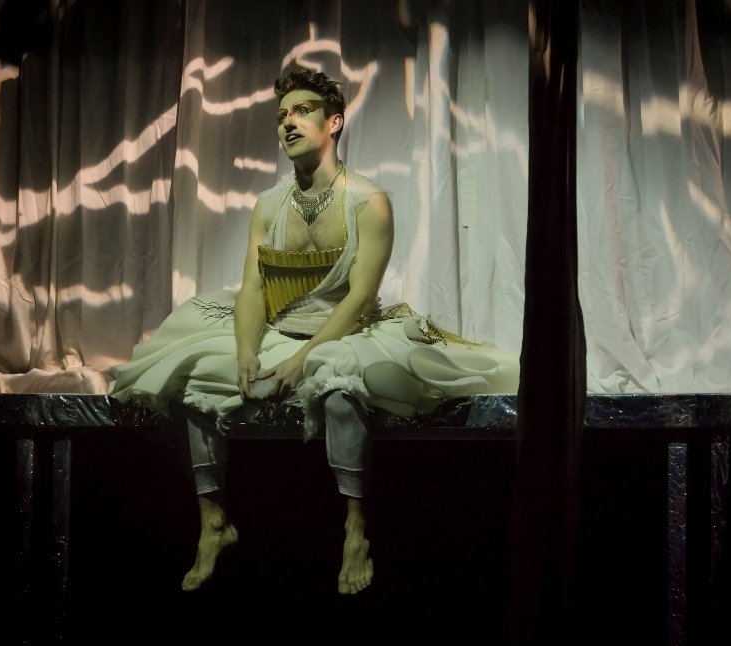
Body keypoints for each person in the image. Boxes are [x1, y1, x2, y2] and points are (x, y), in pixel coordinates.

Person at [111, 68, 518, 594]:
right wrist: (246, 351)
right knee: (190, 374)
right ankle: (213, 522)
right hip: (280, 328)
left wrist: (301, 362)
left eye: (302, 111)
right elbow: (253, 289)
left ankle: (355, 530)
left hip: (348, 331)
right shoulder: (268, 205)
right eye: (282, 114)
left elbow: (361, 297)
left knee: (340, 383)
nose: (288, 122)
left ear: (334, 122)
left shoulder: (368, 201)